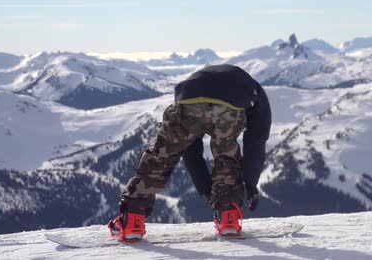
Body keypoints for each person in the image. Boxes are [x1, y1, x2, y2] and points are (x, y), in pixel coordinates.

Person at [108, 64, 272, 241]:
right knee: (227, 156)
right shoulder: (258, 94)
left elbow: (190, 149)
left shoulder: (202, 80)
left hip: (188, 97)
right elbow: (256, 141)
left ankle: (132, 220)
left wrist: (204, 186)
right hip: (230, 105)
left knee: (160, 158)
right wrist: (250, 184)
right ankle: (228, 218)